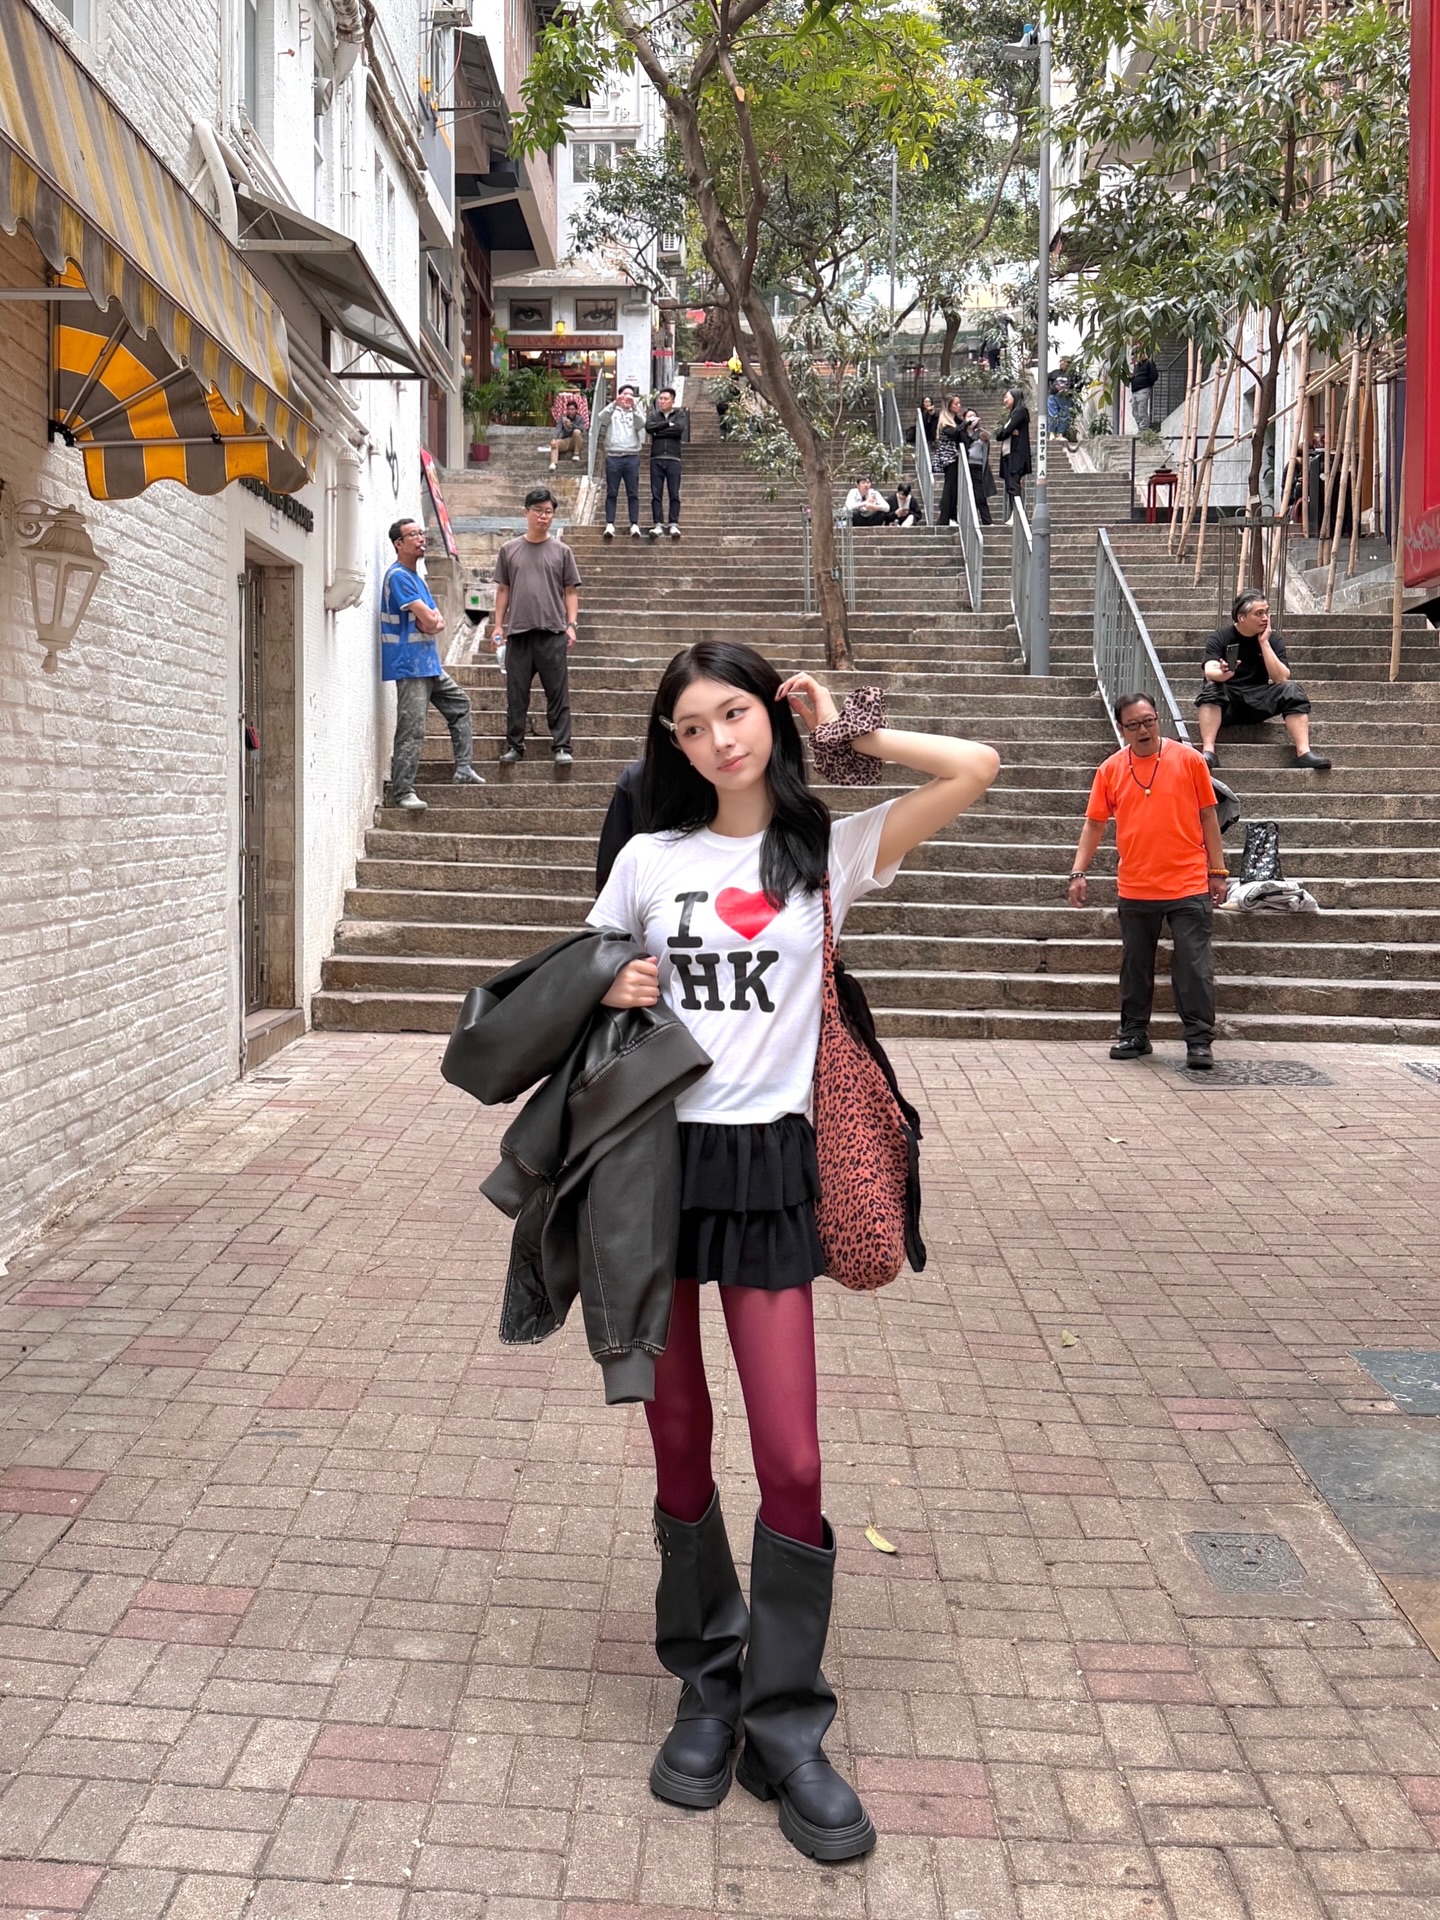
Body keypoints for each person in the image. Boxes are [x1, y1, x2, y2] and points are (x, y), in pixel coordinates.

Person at [589, 640, 999, 1859]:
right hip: (653, 1166)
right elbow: (589, 972)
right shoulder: (649, 858)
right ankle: (708, 1682)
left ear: (771, 714)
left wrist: (851, 731)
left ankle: (785, 1719)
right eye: (691, 727)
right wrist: (608, 987)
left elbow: (976, 766)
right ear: (672, 747)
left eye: (735, 713)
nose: (718, 741)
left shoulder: (823, 854)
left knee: (794, 1457)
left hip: (768, 1167)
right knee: (677, 1436)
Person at [1067, 692, 1230, 1070]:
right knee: (1135, 965)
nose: (1143, 730)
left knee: (1193, 965)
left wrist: (1218, 871)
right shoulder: (1110, 769)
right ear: (1122, 729)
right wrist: (1078, 871)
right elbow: (1094, 823)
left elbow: (1209, 816)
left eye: (1149, 721)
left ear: (1158, 719)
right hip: (1136, 885)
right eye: (1134, 725)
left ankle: (1198, 1040)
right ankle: (1134, 1033)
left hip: (1188, 882)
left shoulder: (1189, 760)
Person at [381, 518, 484, 810]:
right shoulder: (398, 576)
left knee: (460, 705)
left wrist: (430, 621)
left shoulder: (418, 578)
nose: (421, 538)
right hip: (409, 664)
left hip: (428, 663)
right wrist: (429, 620)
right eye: (413, 535)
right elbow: (429, 620)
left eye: (421, 533)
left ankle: (464, 769)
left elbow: (437, 623)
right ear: (398, 544)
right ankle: (402, 791)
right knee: (412, 728)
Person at [490, 486, 581, 766]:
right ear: (526, 512)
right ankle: (514, 746)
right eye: (538, 510)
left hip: (552, 632)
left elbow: (570, 591)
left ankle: (562, 746)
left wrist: (571, 625)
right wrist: (498, 625)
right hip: (518, 633)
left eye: (549, 511)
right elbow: (503, 589)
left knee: (558, 693)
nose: (543, 516)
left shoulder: (562, 551)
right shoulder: (509, 550)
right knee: (516, 693)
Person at [1196, 589, 1331, 771]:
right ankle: (1209, 751)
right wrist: (1223, 674)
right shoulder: (1220, 637)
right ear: (1241, 617)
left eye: (1266, 612)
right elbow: (1210, 670)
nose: (1265, 618)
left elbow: (1281, 678)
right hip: (1228, 702)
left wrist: (1264, 643)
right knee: (1212, 686)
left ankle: (1303, 753)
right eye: (1259, 614)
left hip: (1258, 700)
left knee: (1292, 689)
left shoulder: (1273, 640)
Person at [594, 384, 644, 539]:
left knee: (633, 492)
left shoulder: (636, 411)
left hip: (631, 456)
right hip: (613, 456)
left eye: (631, 395)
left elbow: (641, 424)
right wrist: (615, 403)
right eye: (625, 394)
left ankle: (634, 524)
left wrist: (634, 407)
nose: (628, 397)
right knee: (611, 492)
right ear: (619, 395)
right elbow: (601, 418)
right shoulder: (612, 411)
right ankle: (610, 524)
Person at [645, 388, 688, 539]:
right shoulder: (654, 415)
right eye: (660, 399)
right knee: (656, 493)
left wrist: (659, 431)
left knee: (674, 492)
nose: (662, 401)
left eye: (665, 399)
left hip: (673, 458)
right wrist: (667, 424)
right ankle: (658, 524)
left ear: (672, 401)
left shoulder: (680, 414)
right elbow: (649, 428)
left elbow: (679, 429)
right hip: (656, 458)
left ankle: (673, 524)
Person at [995, 387, 1031, 520]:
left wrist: (1007, 431)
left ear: (1015, 398)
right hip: (1008, 454)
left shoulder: (1020, 411)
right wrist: (1007, 431)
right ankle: (1014, 514)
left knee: (1014, 485)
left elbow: (1006, 431)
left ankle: (1016, 515)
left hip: (1016, 455)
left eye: (1007, 397)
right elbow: (999, 435)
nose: (1004, 400)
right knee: (1010, 485)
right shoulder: (1012, 414)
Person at [935, 395, 966, 527]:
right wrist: (967, 423)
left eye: (959, 403)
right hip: (949, 458)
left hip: (955, 457)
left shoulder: (956, 420)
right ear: (949, 406)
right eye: (956, 404)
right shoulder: (945, 422)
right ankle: (945, 517)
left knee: (954, 488)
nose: (959, 406)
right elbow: (953, 432)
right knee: (950, 488)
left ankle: (951, 516)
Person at [962, 409, 996, 526]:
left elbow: (986, 450)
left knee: (980, 494)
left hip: (978, 466)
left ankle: (987, 521)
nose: (972, 418)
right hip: (966, 465)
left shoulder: (981, 433)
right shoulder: (962, 433)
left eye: (974, 415)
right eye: (969, 416)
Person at [549, 395, 587, 470]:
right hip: (565, 440)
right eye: (568, 409)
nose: (570, 411)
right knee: (555, 443)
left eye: (572, 409)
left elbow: (582, 429)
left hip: (575, 441)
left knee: (577, 432)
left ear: (576, 410)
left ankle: (576, 454)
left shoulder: (580, 418)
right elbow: (558, 428)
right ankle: (553, 463)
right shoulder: (563, 418)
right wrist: (554, 438)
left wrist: (572, 425)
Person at [1129, 349, 1158, 434]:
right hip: (1135, 391)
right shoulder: (1137, 366)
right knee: (1135, 412)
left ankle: (1144, 430)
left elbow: (1154, 375)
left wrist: (1147, 384)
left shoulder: (1149, 363)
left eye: (1136, 356)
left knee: (1142, 411)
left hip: (1143, 389)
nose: (1135, 358)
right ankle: (1140, 429)